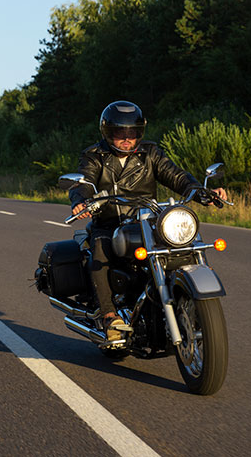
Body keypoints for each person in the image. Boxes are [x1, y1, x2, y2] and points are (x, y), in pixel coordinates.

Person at [68, 100, 227, 341]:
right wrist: (81, 200)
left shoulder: (150, 153)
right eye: (120, 132)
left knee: (183, 243)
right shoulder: (94, 156)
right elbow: (82, 181)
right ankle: (109, 315)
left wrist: (203, 192)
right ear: (107, 132)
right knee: (100, 250)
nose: (126, 138)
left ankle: (186, 299)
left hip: (148, 221)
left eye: (132, 132)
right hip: (109, 223)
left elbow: (176, 176)